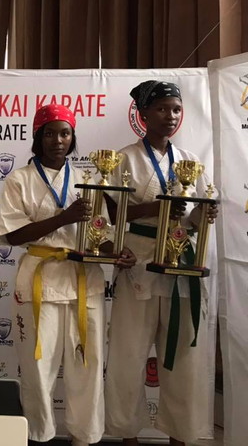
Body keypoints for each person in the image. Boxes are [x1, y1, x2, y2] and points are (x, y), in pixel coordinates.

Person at [0, 104, 136, 446]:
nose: (58, 140)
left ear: (73, 138)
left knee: (87, 365)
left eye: (65, 133)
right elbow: (12, 236)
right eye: (49, 133)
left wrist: (116, 252)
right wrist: (63, 218)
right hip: (39, 280)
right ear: (38, 137)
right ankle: (38, 436)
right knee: (37, 367)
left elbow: (99, 233)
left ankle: (84, 437)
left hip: (83, 280)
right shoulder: (19, 179)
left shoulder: (89, 180)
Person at [104, 81, 218, 446]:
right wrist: (157, 207)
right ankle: (127, 435)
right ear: (143, 114)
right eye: (162, 108)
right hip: (138, 263)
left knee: (184, 357)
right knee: (127, 356)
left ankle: (180, 436)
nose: (170, 116)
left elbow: (193, 219)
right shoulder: (123, 159)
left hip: (181, 265)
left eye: (176, 109)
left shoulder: (190, 161)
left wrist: (203, 214)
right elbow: (110, 214)